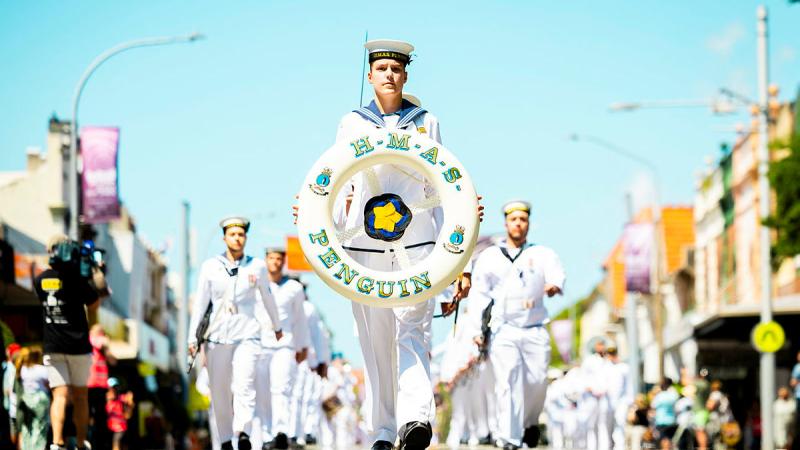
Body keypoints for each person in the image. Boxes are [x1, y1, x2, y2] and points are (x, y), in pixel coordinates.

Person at [324, 39, 480, 450]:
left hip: (420, 245)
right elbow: (338, 187)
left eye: (397, 68)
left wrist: (457, 260)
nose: (390, 74)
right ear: (370, 76)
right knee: (374, 341)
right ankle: (381, 430)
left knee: (412, 331)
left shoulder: (426, 123)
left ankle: (415, 420)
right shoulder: (351, 124)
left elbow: (447, 188)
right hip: (363, 248)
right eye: (383, 68)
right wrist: (320, 225)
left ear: (406, 75)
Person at [470, 200, 566, 450]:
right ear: (506, 223)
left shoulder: (542, 253)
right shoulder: (490, 256)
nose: (518, 224)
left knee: (537, 382)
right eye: (514, 220)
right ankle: (509, 438)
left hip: (534, 328)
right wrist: (476, 331)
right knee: (507, 381)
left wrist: (554, 286)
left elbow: (557, 275)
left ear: (528, 224)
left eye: (523, 220)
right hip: (504, 329)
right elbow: (479, 295)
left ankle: (530, 423)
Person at [187, 217, 283, 450]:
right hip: (217, 337)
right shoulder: (211, 266)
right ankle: (226, 439)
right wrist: (192, 337)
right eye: (232, 235)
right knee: (219, 391)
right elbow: (200, 303)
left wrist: (276, 325)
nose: (237, 238)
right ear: (224, 238)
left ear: (246, 239)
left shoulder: (257, 266)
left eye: (241, 235)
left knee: (245, 384)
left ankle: (243, 432)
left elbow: (267, 296)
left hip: (247, 335)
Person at [33, 234, 108, 450]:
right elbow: (94, 305)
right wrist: (93, 272)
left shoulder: (40, 280)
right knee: (81, 396)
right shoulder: (76, 278)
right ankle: (82, 441)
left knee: (59, 394)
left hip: (53, 346)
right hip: (78, 347)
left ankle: (57, 442)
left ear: (50, 252)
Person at [262, 248, 310, 449]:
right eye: (271, 258)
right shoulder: (257, 283)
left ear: (284, 262)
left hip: (285, 344)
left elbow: (300, 319)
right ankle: (265, 435)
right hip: (259, 343)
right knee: (262, 391)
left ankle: (280, 433)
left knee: (281, 388)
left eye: (279, 259)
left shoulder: (293, 288)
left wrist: (302, 346)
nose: (275, 262)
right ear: (266, 260)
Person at [15, 346, 50, 450]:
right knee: (40, 427)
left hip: (27, 398)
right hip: (40, 399)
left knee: (27, 427)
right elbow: (49, 384)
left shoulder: (23, 369)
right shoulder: (42, 369)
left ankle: (27, 447)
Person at [87, 324, 116, 450]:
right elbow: (102, 343)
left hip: (98, 385)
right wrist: (106, 342)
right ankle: (90, 441)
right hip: (91, 384)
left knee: (97, 417)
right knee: (94, 416)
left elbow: (113, 361)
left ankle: (94, 442)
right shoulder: (93, 340)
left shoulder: (100, 348)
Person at [104, 378, 133, 450]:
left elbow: (128, 414)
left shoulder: (122, 398)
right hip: (109, 430)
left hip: (120, 429)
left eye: (115, 388)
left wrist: (130, 402)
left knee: (117, 445)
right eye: (110, 388)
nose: (112, 390)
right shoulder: (105, 399)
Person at [652, 378, 679, 450]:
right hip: (672, 420)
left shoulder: (659, 396)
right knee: (670, 439)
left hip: (661, 421)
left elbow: (653, 406)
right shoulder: (673, 394)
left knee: (664, 439)